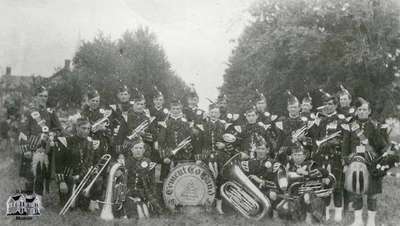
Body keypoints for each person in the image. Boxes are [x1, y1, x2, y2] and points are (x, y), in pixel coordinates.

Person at [342, 97, 388, 226]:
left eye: (364, 110)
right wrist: (345, 163)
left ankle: (371, 221)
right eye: (360, 109)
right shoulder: (350, 127)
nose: (362, 112)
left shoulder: (375, 126)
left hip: (371, 164)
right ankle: (358, 221)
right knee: (357, 193)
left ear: (369, 111)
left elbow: (383, 146)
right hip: (355, 164)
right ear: (356, 111)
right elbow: (345, 147)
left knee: (372, 195)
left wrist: (381, 160)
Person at [19, 86, 62, 208]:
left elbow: (59, 128)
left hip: (43, 147)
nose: (43, 98)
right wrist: (25, 149)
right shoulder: (29, 111)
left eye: (45, 96)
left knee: (40, 175)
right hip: (31, 146)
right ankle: (28, 200)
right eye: (41, 96)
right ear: (35, 97)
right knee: (29, 176)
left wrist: (52, 134)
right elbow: (23, 131)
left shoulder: (50, 112)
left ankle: (38, 202)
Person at [313, 89, 347, 222]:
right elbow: (317, 137)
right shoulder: (321, 120)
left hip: (336, 157)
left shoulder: (341, 119)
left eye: (331, 104)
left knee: (337, 185)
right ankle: (326, 212)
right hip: (322, 157)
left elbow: (345, 138)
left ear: (336, 105)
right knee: (324, 184)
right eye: (326, 104)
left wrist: (333, 142)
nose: (328, 106)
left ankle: (338, 213)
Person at [55, 118, 96, 211]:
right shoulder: (65, 141)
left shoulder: (89, 142)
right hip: (68, 178)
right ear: (77, 128)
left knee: (84, 207)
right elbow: (58, 164)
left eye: (88, 129)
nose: (86, 131)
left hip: (83, 177)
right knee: (70, 207)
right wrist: (61, 182)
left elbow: (90, 161)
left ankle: (87, 201)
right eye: (83, 128)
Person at [201, 102, 229, 214]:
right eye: (212, 112)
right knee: (207, 178)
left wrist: (224, 145)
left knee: (220, 179)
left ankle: (219, 205)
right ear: (208, 113)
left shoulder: (224, 125)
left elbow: (231, 141)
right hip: (206, 155)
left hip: (220, 156)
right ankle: (207, 203)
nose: (213, 114)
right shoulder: (203, 125)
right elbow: (199, 142)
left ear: (219, 114)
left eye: (216, 112)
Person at [124, 138, 161, 219]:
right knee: (132, 210)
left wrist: (152, 195)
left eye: (140, 148)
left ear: (143, 150)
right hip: (129, 190)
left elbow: (152, 182)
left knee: (152, 211)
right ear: (132, 150)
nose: (138, 150)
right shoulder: (127, 162)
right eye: (136, 148)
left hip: (143, 191)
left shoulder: (148, 161)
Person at [158, 97, 194, 180]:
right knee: (166, 178)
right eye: (173, 109)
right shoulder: (166, 123)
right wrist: (164, 156)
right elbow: (161, 140)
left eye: (178, 109)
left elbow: (190, 139)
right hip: (169, 153)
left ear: (181, 109)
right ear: (170, 110)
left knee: (183, 177)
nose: (176, 111)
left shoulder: (186, 123)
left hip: (183, 153)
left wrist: (187, 150)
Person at [274, 91, 311, 164]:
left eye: (295, 107)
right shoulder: (281, 122)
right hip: (286, 154)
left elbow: (310, 140)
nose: (293, 109)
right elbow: (279, 140)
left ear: (299, 108)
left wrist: (304, 139)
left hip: (301, 154)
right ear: (287, 108)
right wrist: (277, 151)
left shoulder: (306, 121)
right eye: (291, 107)